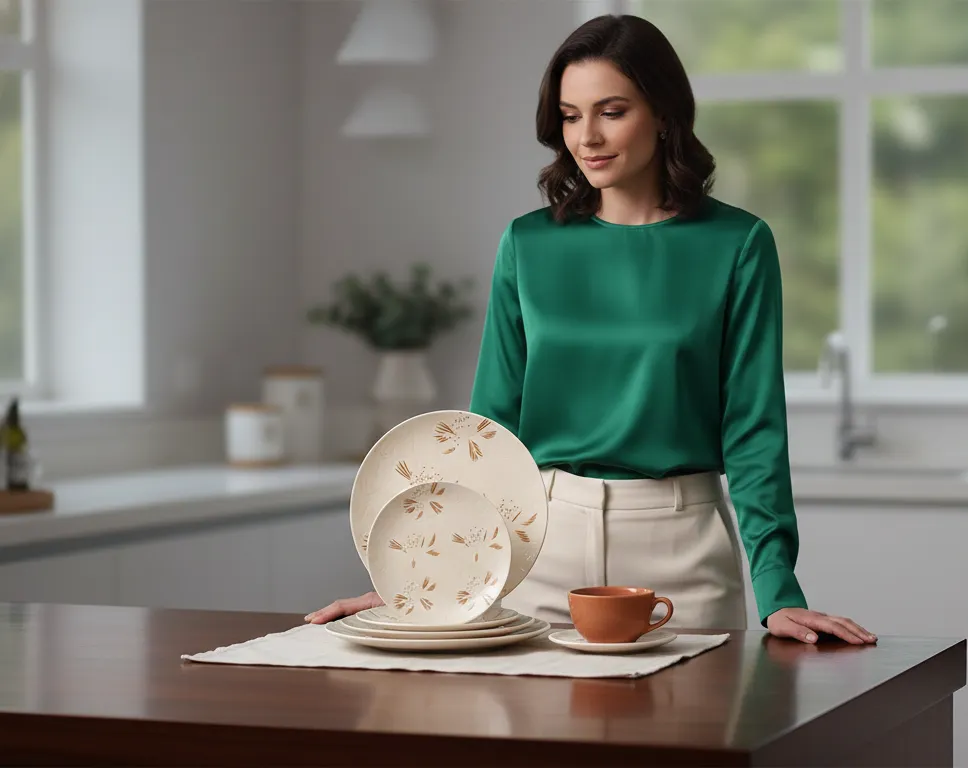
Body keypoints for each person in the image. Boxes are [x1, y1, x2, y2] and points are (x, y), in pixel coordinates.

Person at [307, 14, 875, 646]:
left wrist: (778, 589)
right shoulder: (528, 243)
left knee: (688, 742)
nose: (588, 137)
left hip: (681, 554)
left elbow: (753, 429)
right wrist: (427, 575)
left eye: (611, 111)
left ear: (663, 114)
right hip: (538, 548)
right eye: (571, 116)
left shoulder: (736, 244)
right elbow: (489, 431)